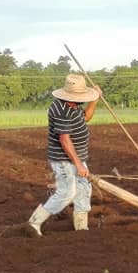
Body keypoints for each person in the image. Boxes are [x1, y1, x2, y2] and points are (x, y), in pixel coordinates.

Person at [26, 74, 102, 237]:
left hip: (77, 156)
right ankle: (34, 223)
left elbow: (85, 118)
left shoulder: (74, 105)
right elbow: (64, 140)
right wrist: (79, 165)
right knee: (67, 192)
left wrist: (95, 100)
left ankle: (81, 228)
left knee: (83, 189)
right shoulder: (62, 110)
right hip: (63, 159)